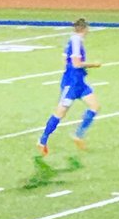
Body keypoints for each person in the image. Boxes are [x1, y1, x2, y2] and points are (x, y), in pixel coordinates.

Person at [39, 18, 100, 155]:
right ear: (85, 29)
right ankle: (42, 139)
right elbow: (77, 63)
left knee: (95, 106)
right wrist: (93, 64)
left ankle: (78, 135)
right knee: (60, 112)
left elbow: (65, 59)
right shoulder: (76, 41)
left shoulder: (72, 40)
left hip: (79, 82)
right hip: (71, 83)